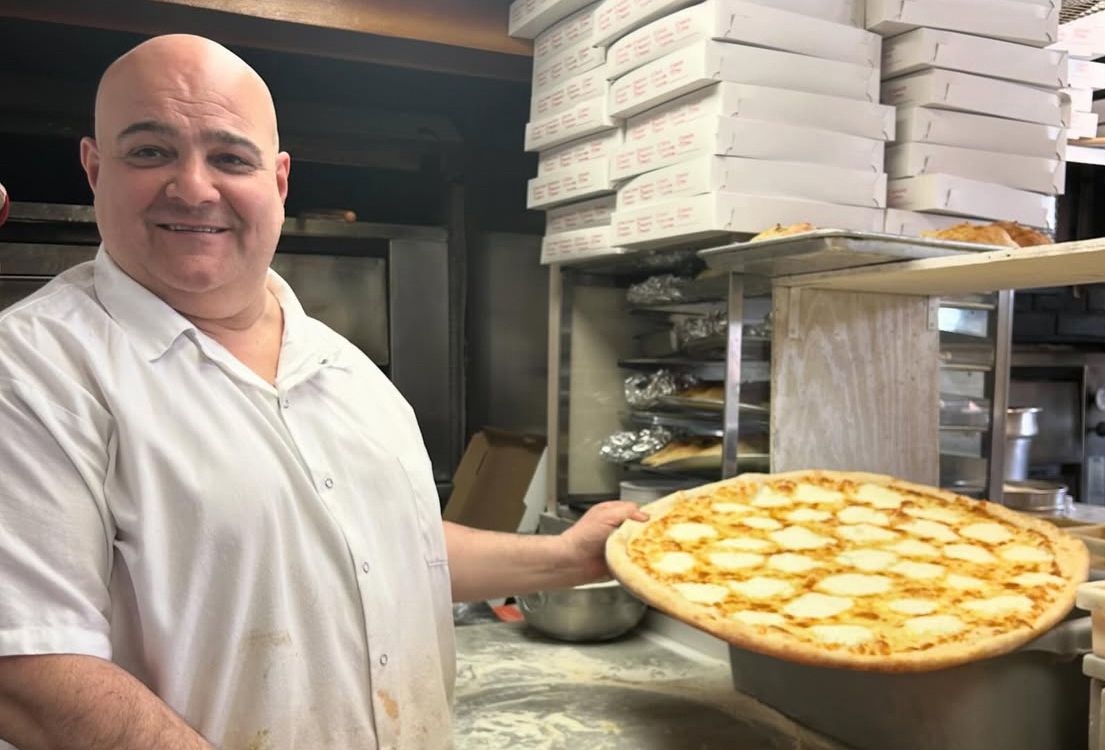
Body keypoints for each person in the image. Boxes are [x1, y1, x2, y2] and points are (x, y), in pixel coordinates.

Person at [0, 34, 645, 750]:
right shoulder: (35, 373)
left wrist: (574, 558)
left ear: (277, 181)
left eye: (229, 157)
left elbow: (389, 550)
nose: (192, 187)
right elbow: (29, 666)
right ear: (95, 168)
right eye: (149, 151)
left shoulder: (344, 370)